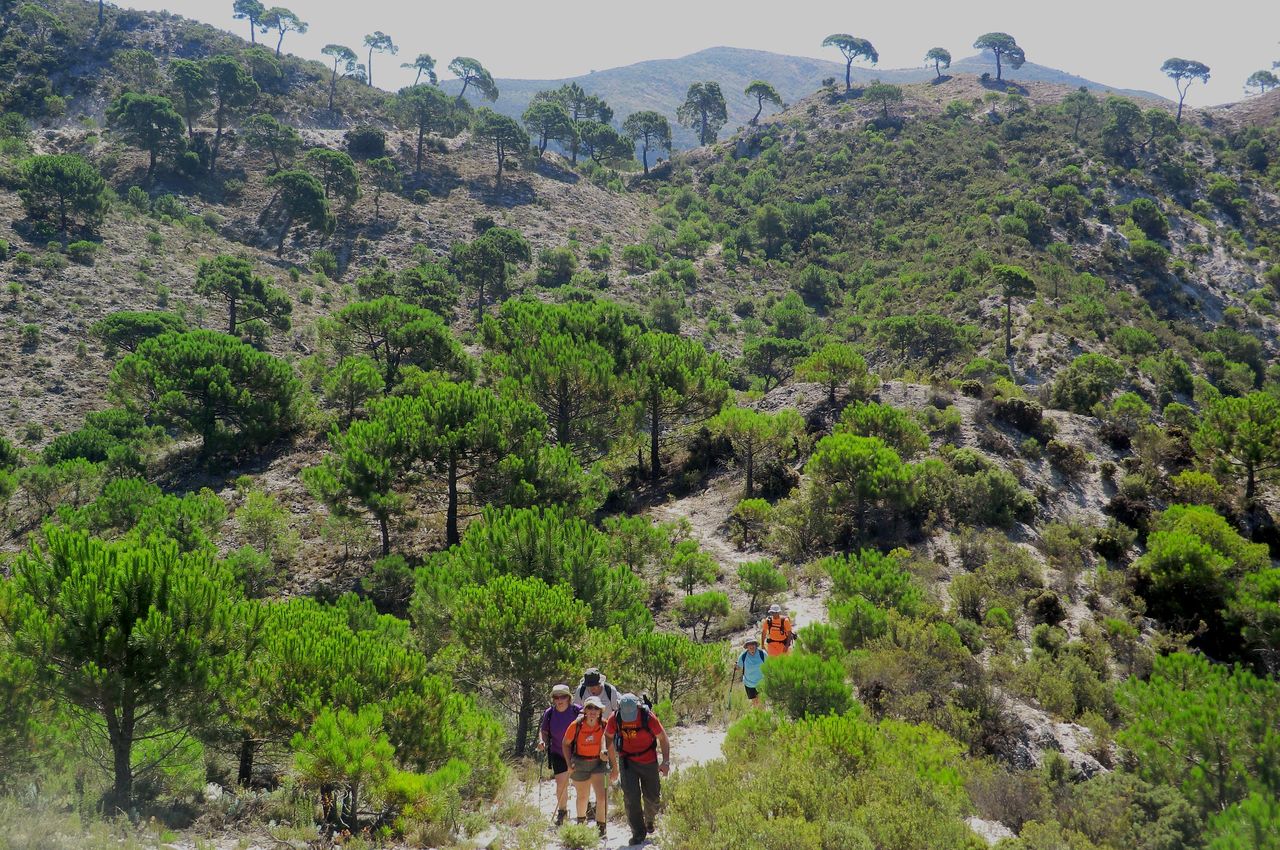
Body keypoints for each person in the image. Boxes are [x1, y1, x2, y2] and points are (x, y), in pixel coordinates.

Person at [606, 692, 670, 847]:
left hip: (648, 760)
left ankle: (649, 820)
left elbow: (663, 738)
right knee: (631, 798)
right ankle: (638, 833)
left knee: (653, 796)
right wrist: (613, 766)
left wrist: (666, 761)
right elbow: (608, 737)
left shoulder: (648, 717)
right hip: (627, 761)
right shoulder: (615, 718)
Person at [564, 695, 611, 839]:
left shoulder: (604, 724)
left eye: (596, 708)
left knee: (602, 797)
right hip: (580, 763)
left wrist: (609, 759)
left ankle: (601, 827)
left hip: (599, 764)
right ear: (585, 710)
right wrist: (568, 764)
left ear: (600, 711)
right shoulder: (576, 725)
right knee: (583, 796)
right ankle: (581, 825)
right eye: (590, 707)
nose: (592, 711)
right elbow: (566, 743)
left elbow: (609, 743)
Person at [537, 683, 581, 826]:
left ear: (568, 698)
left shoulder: (577, 711)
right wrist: (542, 741)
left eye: (562, 696)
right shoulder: (549, 713)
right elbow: (544, 731)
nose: (559, 700)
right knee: (561, 785)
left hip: (577, 753)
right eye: (556, 697)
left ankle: (583, 813)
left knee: (579, 784)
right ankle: (562, 812)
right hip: (557, 752)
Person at [735, 637, 768, 708]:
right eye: (749, 644)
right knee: (755, 703)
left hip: (761, 683)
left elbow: (769, 665)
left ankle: (764, 717)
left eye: (753, 644)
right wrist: (735, 666)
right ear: (746, 646)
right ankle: (758, 717)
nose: (751, 646)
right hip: (749, 683)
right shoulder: (743, 656)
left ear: (756, 645)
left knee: (762, 702)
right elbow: (738, 667)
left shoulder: (762, 654)